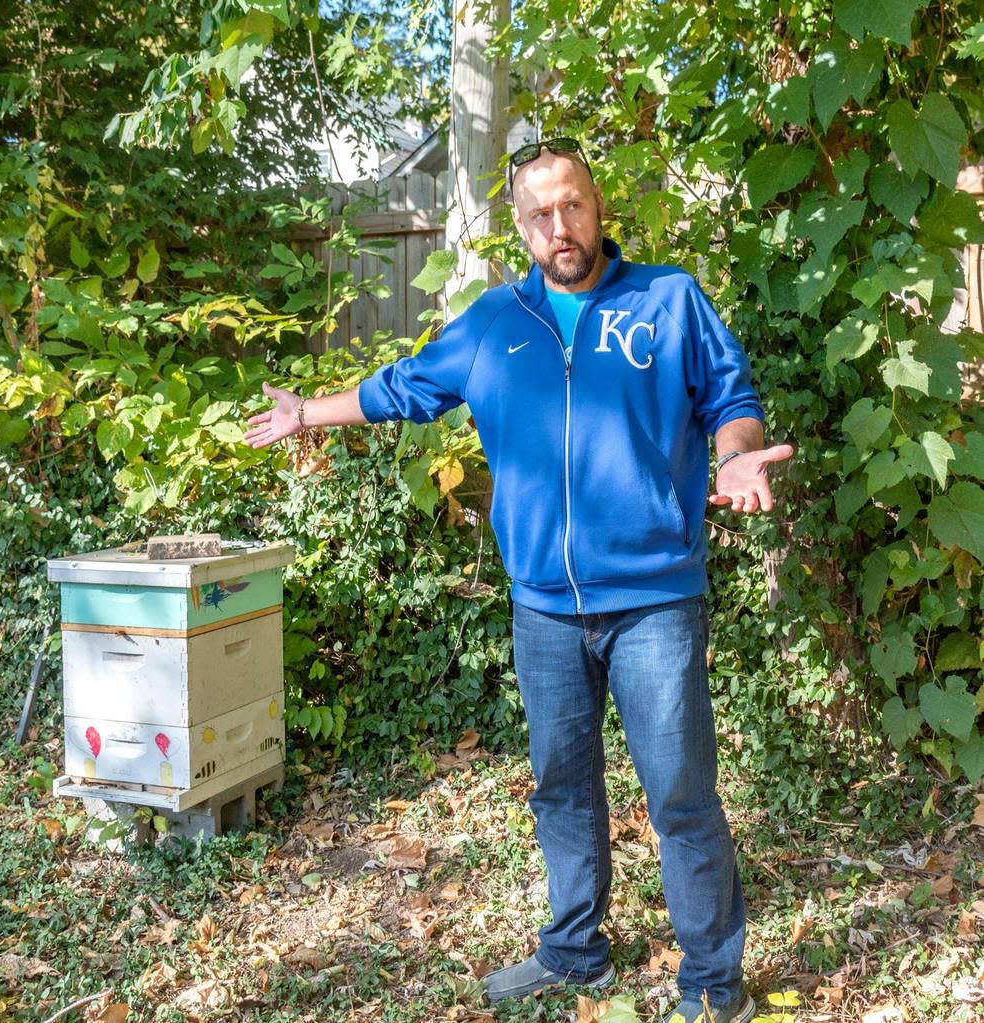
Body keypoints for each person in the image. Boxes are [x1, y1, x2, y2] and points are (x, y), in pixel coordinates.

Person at [244, 136, 792, 1023]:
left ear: (598, 204)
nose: (558, 226)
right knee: (560, 786)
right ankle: (577, 951)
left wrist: (735, 460)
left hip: (654, 597)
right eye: (539, 214)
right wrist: (308, 412)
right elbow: (405, 387)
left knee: (682, 793)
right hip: (543, 607)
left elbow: (730, 402)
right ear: (520, 227)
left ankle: (712, 983)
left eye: (571, 204)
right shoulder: (496, 322)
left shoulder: (668, 298)